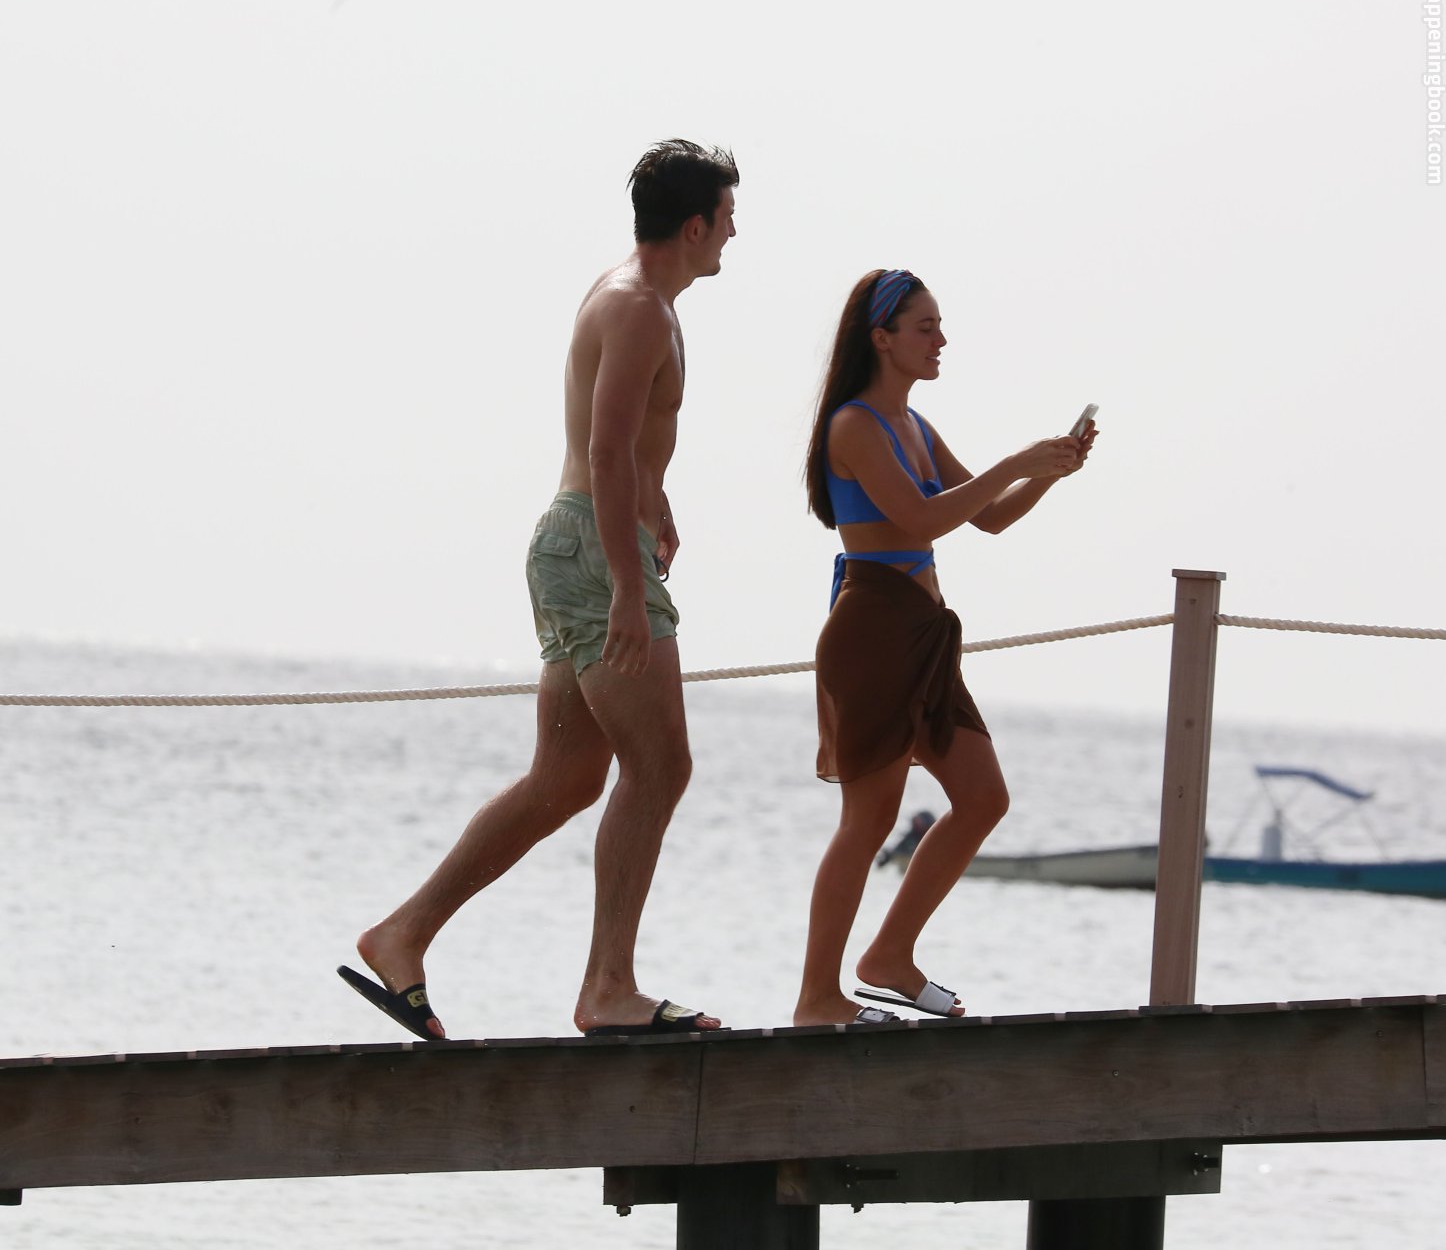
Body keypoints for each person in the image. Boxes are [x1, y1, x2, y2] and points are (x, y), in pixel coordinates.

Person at [339, 140, 738, 1040]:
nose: (732, 234)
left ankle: (402, 933)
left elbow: (624, 444)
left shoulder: (635, 299)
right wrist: (628, 585)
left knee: (565, 779)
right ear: (693, 225)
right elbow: (604, 449)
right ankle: (608, 988)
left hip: (579, 540)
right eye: (725, 218)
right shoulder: (637, 308)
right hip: (595, 552)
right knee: (660, 766)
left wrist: (657, 499)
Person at [793, 269, 1097, 1027]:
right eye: (925, 327)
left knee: (983, 798)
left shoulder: (915, 426)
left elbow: (987, 517)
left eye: (939, 326)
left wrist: (1050, 472)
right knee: (867, 821)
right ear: (882, 338)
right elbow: (922, 520)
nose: (940, 340)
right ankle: (816, 998)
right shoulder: (854, 425)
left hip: (925, 634)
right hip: (871, 632)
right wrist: (1016, 461)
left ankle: (888, 955)